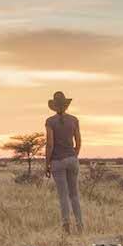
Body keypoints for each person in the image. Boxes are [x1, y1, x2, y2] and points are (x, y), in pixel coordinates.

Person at [43, 91, 84, 233]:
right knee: (74, 194)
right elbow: (78, 141)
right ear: (66, 105)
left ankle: (66, 226)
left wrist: (47, 163)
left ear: (54, 106)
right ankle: (80, 225)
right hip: (72, 158)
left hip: (57, 161)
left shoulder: (50, 121)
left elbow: (50, 144)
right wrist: (74, 155)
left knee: (63, 195)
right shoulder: (74, 120)